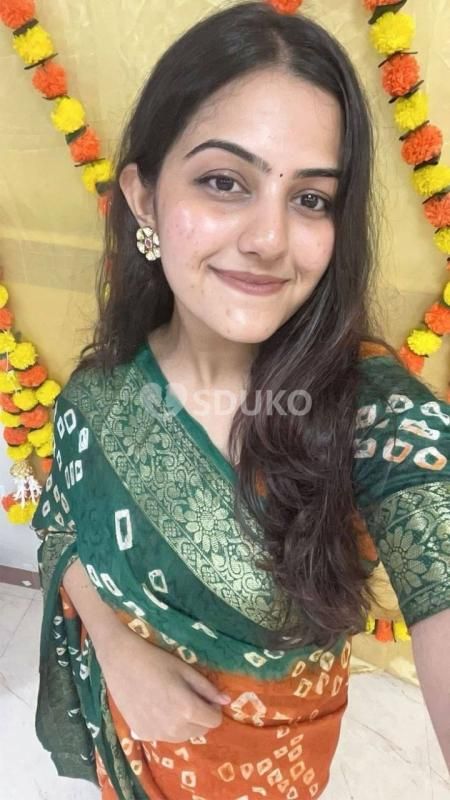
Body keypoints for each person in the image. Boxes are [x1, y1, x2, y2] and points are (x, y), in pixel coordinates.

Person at [31, 2, 450, 798]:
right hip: (131, 751)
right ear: (144, 198)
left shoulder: (366, 412)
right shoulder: (97, 398)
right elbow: (60, 529)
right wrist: (119, 655)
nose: (269, 239)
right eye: (225, 182)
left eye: (311, 199)